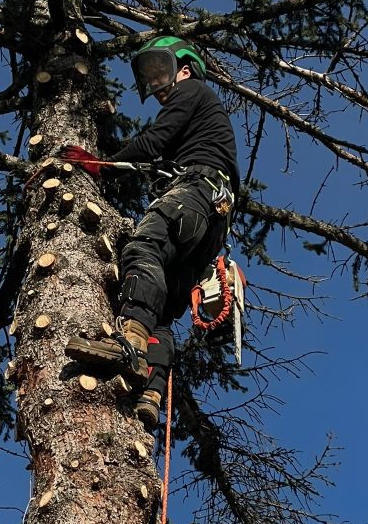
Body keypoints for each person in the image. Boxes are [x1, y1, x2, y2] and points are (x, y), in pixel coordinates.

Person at [64, 35, 240, 431]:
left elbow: (156, 138)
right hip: (211, 218)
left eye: (162, 72)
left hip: (195, 192)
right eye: (151, 77)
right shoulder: (202, 120)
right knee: (160, 310)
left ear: (185, 69)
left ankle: (129, 342)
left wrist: (102, 165)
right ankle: (151, 392)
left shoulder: (192, 90)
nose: (157, 83)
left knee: (144, 248)